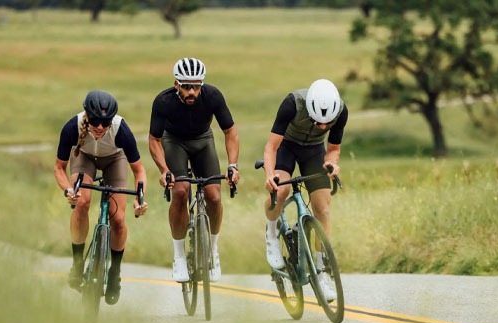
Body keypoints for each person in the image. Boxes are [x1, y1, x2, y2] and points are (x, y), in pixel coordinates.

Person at [148, 57, 240, 283]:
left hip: (202, 141)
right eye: (186, 86)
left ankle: (213, 250)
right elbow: (154, 140)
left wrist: (232, 165)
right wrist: (164, 170)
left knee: (214, 196)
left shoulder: (213, 96)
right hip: (174, 141)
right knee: (180, 191)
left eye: (196, 86)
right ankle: (179, 256)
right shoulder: (163, 101)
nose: (192, 92)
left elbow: (230, 132)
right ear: (176, 84)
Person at [54, 89, 148, 305]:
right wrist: (68, 190)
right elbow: (59, 168)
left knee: (118, 219)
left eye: (105, 122)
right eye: (95, 121)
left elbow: (139, 170)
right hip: (84, 158)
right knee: (82, 201)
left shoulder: (120, 129)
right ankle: (78, 263)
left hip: (115, 159)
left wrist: (140, 199)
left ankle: (114, 272)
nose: (100, 127)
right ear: (87, 115)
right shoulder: (73, 126)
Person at [261, 78, 348, 301]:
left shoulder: (341, 111)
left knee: (323, 209)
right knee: (281, 191)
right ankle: (271, 234)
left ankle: (322, 272)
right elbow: (271, 147)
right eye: (317, 122)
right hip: (286, 147)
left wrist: (332, 163)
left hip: (314, 151)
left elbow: (334, 148)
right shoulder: (292, 104)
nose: (322, 127)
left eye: (326, 124)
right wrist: (270, 175)